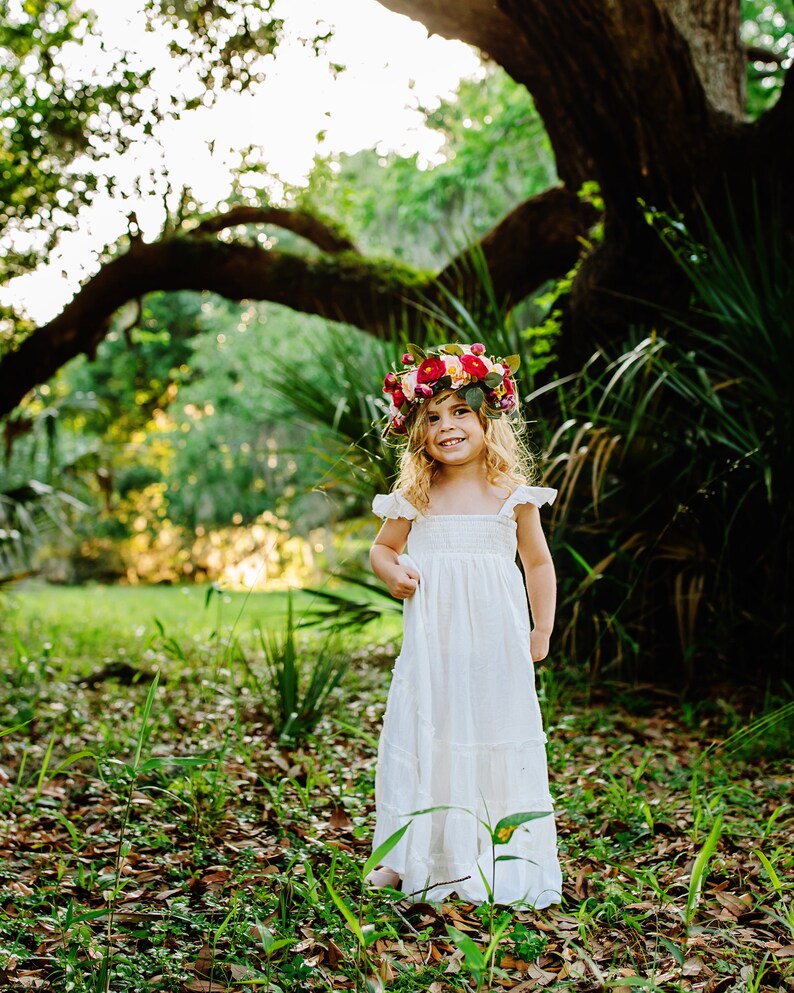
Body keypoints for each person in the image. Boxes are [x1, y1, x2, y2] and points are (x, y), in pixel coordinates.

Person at [366, 342, 562, 907]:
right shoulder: (416, 496)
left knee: (491, 736)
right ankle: (411, 854)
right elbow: (381, 550)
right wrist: (391, 571)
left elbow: (539, 563)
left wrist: (541, 631)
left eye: (460, 412)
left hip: (494, 650)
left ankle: (495, 854)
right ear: (416, 430)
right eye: (432, 417)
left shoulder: (512, 497)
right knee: (432, 736)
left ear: (487, 419)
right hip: (435, 652)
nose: (446, 426)